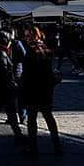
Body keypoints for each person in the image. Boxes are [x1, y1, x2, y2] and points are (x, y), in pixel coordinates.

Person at [21, 27, 62, 155]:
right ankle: (57, 146)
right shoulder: (45, 49)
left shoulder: (30, 52)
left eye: (28, 36)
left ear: (34, 36)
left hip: (33, 89)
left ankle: (33, 148)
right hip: (46, 89)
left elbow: (27, 74)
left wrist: (22, 87)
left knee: (32, 120)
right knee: (49, 117)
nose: (26, 39)